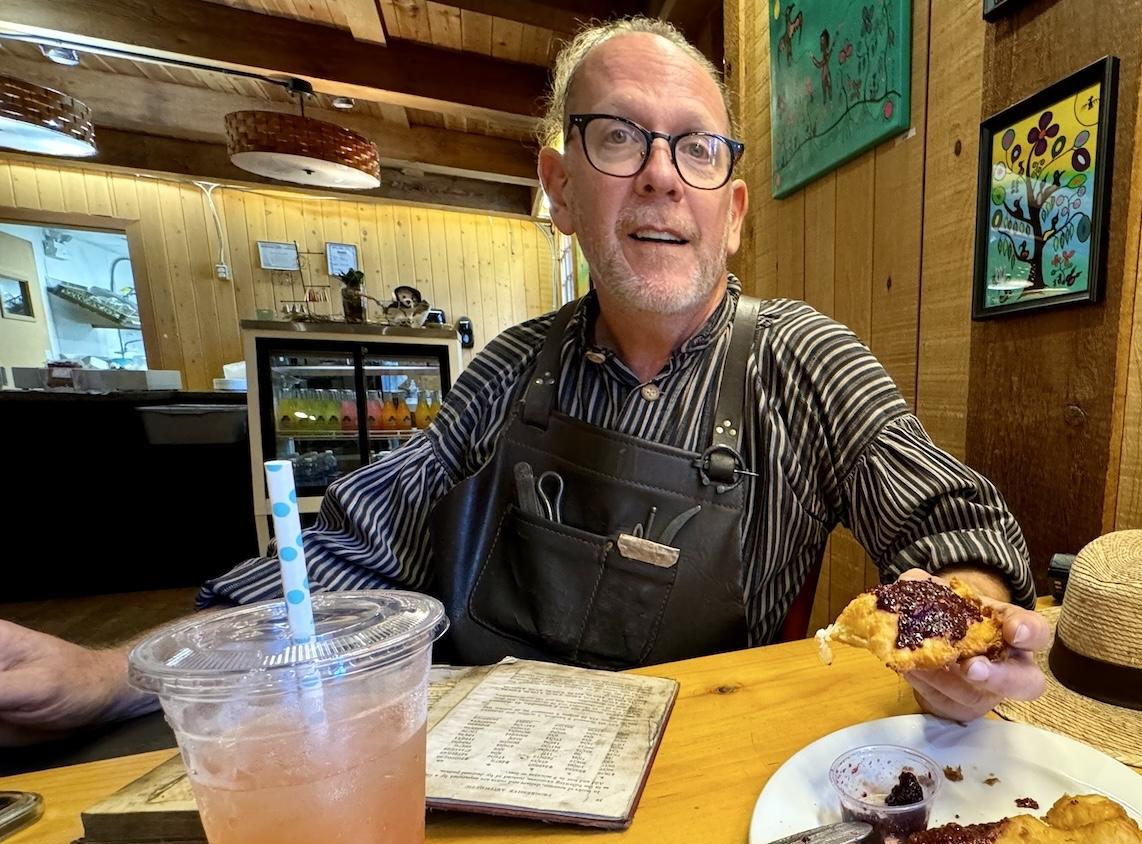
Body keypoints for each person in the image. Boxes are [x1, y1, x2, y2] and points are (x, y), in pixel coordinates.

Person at [0, 17, 1050, 750]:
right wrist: (110, 677)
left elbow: (952, 528)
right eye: (617, 137)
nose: (656, 174)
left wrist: (969, 631)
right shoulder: (510, 369)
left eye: (693, 150)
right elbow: (356, 555)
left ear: (730, 211)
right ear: (559, 190)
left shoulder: (801, 362)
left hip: (701, 786)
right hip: (478, 767)